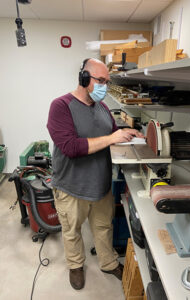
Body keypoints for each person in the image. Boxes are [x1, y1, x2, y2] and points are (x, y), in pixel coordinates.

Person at [47, 58, 144, 290]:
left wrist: (124, 133)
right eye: (100, 81)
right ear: (83, 78)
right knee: (72, 232)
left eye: (107, 82)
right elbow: (71, 147)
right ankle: (76, 265)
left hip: (100, 185)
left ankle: (108, 263)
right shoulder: (60, 106)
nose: (104, 87)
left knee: (103, 228)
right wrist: (112, 138)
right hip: (71, 187)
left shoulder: (102, 108)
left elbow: (110, 133)